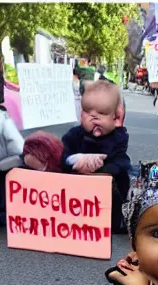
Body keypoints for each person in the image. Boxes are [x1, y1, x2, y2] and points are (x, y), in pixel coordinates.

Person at [61, 80, 131, 233]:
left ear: (116, 117)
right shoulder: (74, 135)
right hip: (76, 187)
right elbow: (62, 154)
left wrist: (102, 168)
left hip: (104, 188)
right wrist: (74, 160)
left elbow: (122, 161)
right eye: (88, 113)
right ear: (81, 114)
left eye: (102, 114)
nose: (94, 119)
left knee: (122, 176)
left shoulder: (117, 137)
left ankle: (117, 219)